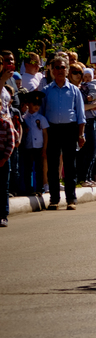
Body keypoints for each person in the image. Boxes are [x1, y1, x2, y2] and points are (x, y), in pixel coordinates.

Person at [40, 56, 86, 209]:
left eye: (63, 67)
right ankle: (54, 199)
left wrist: (81, 135)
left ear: (67, 70)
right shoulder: (46, 91)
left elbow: (81, 115)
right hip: (52, 130)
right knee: (53, 165)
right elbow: (41, 114)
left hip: (69, 129)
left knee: (70, 165)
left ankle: (71, 199)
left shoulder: (74, 90)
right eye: (57, 67)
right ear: (52, 70)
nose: (60, 70)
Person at [0, 50, 22, 225]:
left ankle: (3, 214)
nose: (8, 64)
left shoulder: (10, 81)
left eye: (10, 61)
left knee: (4, 179)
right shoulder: (2, 81)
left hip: (5, 133)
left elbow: (12, 107)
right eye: (4, 61)